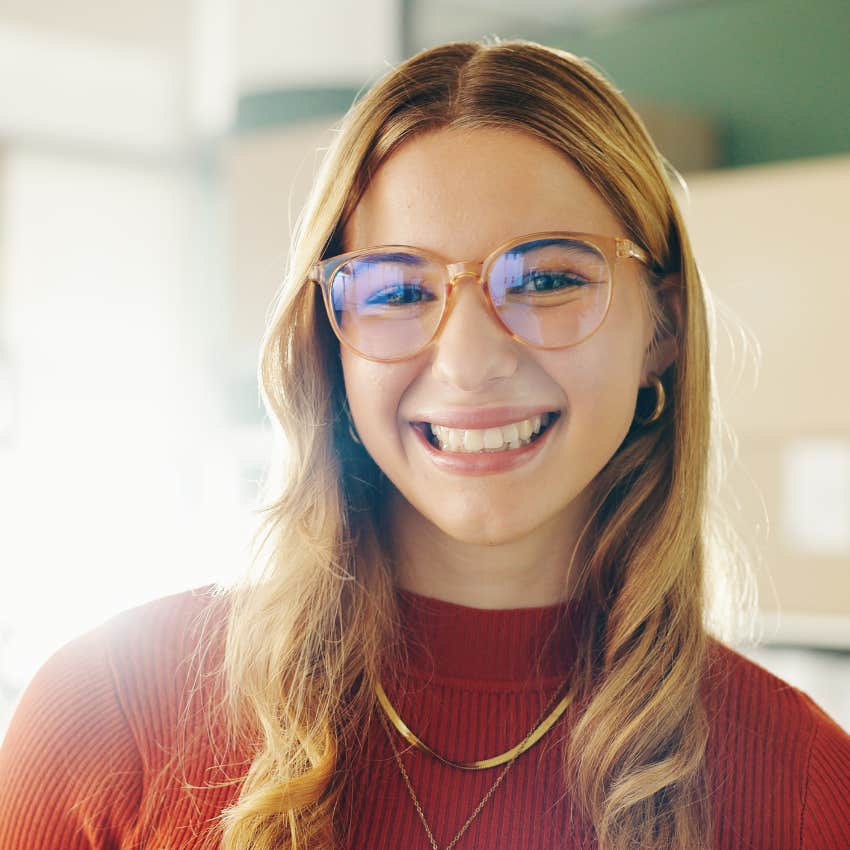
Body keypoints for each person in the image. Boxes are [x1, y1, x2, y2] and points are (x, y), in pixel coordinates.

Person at [1, 38, 849, 850]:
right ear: (330, 339)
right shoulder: (106, 712)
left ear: (661, 324)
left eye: (549, 278)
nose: (471, 363)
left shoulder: (806, 784)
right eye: (399, 288)